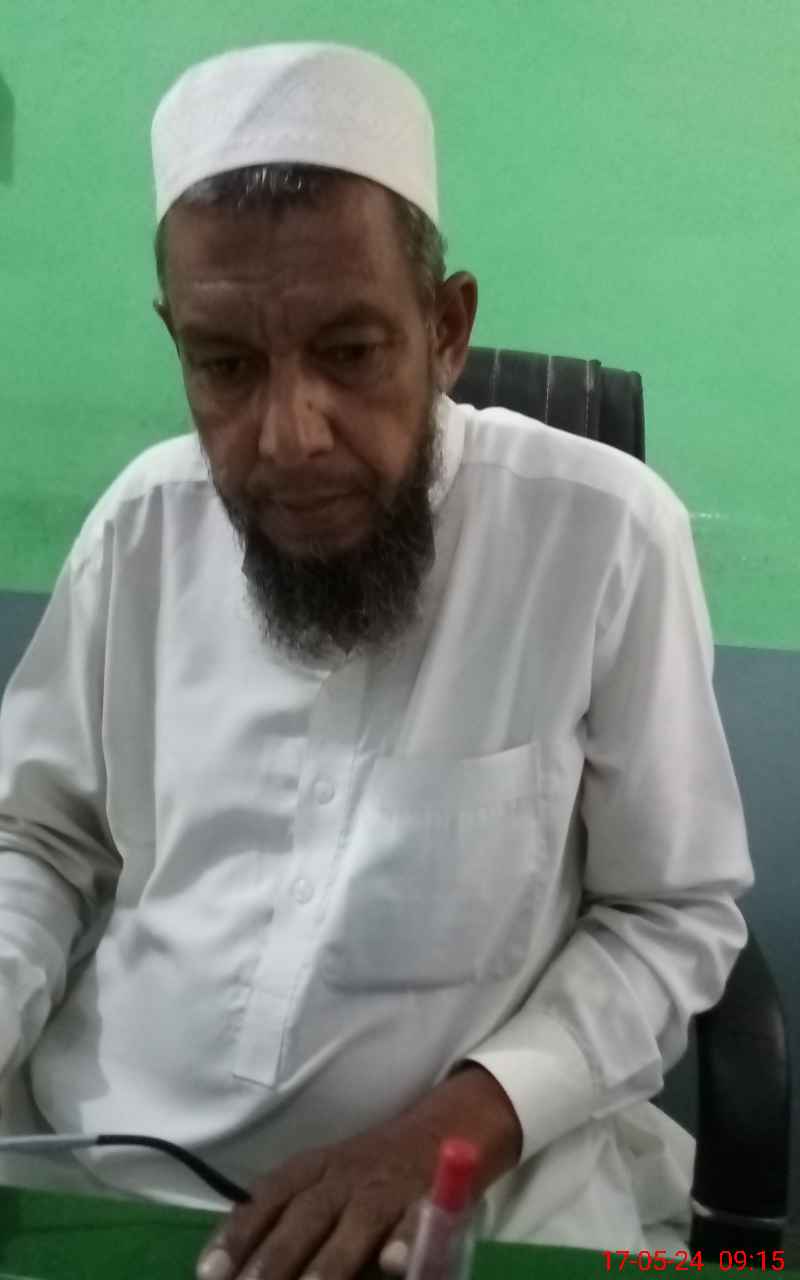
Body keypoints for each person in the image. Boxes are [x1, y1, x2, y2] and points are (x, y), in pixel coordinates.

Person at [0, 41, 753, 1280]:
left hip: (472, 1200)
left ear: (444, 328)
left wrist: (442, 1134)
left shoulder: (604, 537)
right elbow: (36, 838)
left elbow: (667, 915)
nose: (289, 436)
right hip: (99, 1169)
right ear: (176, 340)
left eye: (349, 353)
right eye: (224, 365)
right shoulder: (142, 525)